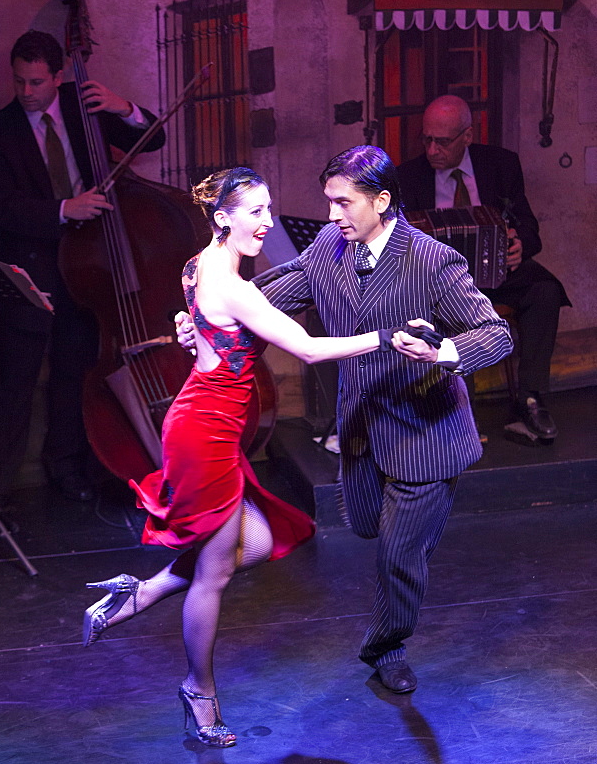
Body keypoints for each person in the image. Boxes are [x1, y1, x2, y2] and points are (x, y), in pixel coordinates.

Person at [83, 165, 434, 746]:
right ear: (222, 218)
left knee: (261, 542)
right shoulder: (232, 285)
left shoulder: (198, 267)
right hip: (204, 431)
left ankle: (140, 592)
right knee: (215, 574)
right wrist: (388, 336)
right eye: (254, 213)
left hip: (212, 424)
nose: (266, 224)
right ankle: (200, 694)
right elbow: (309, 348)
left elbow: (201, 324)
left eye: (269, 211)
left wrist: (191, 328)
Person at [177, 147, 512, 695]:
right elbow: (264, 294)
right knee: (369, 530)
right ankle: (398, 580)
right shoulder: (332, 245)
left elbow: (495, 334)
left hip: (424, 434)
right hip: (360, 431)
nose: (331, 215)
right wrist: (209, 319)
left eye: (343, 203)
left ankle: (387, 647)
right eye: (328, 201)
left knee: (398, 554)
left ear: (381, 201)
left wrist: (442, 351)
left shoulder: (431, 259)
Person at [0, 30, 165, 503]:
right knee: (14, 380)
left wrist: (124, 107)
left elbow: (153, 138)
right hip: (31, 272)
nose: (26, 92)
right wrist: (64, 209)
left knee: (73, 373)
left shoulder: (85, 111)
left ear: (58, 77)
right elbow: (2, 206)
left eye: (37, 82)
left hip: (89, 268)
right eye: (19, 82)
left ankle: (68, 471)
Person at [396, 95, 570, 443]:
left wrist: (521, 245)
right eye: (426, 139)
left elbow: (529, 226)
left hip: (497, 273)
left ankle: (531, 399)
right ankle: (461, 411)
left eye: (442, 142)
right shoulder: (408, 177)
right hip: (445, 283)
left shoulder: (501, 165)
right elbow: (399, 240)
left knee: (545, 291)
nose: (432, 150)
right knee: (437, 307)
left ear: (467, 136)